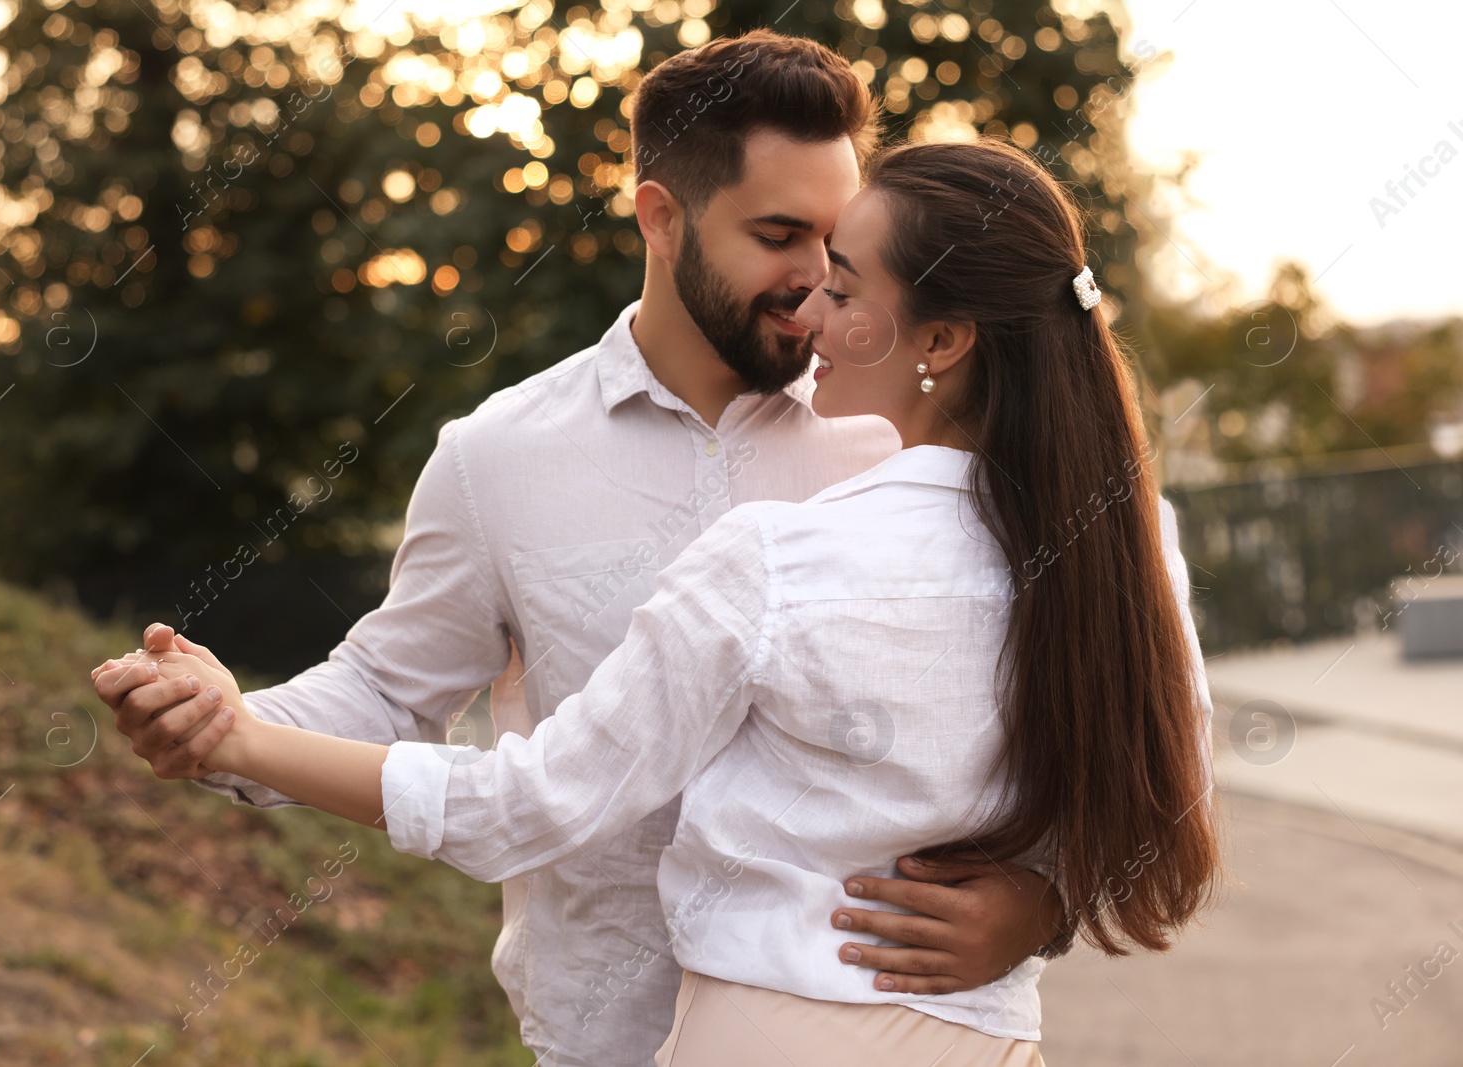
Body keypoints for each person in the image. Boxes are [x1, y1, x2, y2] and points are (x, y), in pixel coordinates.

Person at [101, 135, 1221, 1065]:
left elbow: (527, 802)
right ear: (663, 217)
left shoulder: (841, 544)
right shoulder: (503, 453)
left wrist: (1046, 902)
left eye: (839, 273)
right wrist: (236, 728)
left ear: (941, 338)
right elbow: (388, 683)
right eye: (785, 242)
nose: (811, 302)